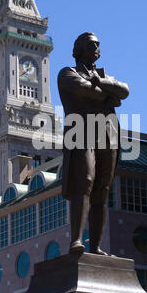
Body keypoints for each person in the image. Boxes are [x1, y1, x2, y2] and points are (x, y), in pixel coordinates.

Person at [57, 32, 129, 255]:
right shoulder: (67, 72)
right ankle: (76, 241)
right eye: (92, 44)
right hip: (81, 132)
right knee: (84, 181)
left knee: (102, 190)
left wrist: (103, 83)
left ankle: (96, 246)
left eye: (98, 44)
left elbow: (124, 91)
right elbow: (83, 90)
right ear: (79, 49)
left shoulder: (103, 75)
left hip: (108, 135)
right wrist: (108, 95)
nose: (97, 47)